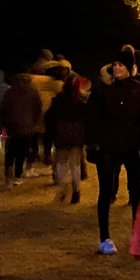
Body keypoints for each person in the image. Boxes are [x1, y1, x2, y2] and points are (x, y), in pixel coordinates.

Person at [86, 46, 140, 256]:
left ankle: (137, 234)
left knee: (136, 192)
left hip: (131, 146)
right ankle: (104, 238)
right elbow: (92, 118)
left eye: (121, 65)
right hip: (108, 146)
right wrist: (92, 143)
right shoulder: (103, 89)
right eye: (115, 64)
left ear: (130, 68)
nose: (117, 68)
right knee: (105, 192)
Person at [46, 76, 89, 204]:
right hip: (77, 136)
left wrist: (51, 133)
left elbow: (49, 118)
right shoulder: (81, 102)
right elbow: (87, 119)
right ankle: (76, 191)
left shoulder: (58, 101)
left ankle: (63, 189)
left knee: (61, 164)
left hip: (61, 135)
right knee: (75, 165)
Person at [1, 73, 43, 187]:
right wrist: (34, 122)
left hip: (13, 126)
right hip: (27, 127)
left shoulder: (10, 92)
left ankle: (9, 168)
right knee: (22, 153)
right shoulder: (33, 91)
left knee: (10, 151)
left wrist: (5, 123)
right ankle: (17, 176)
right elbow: (38, 108)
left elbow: (4, 108)